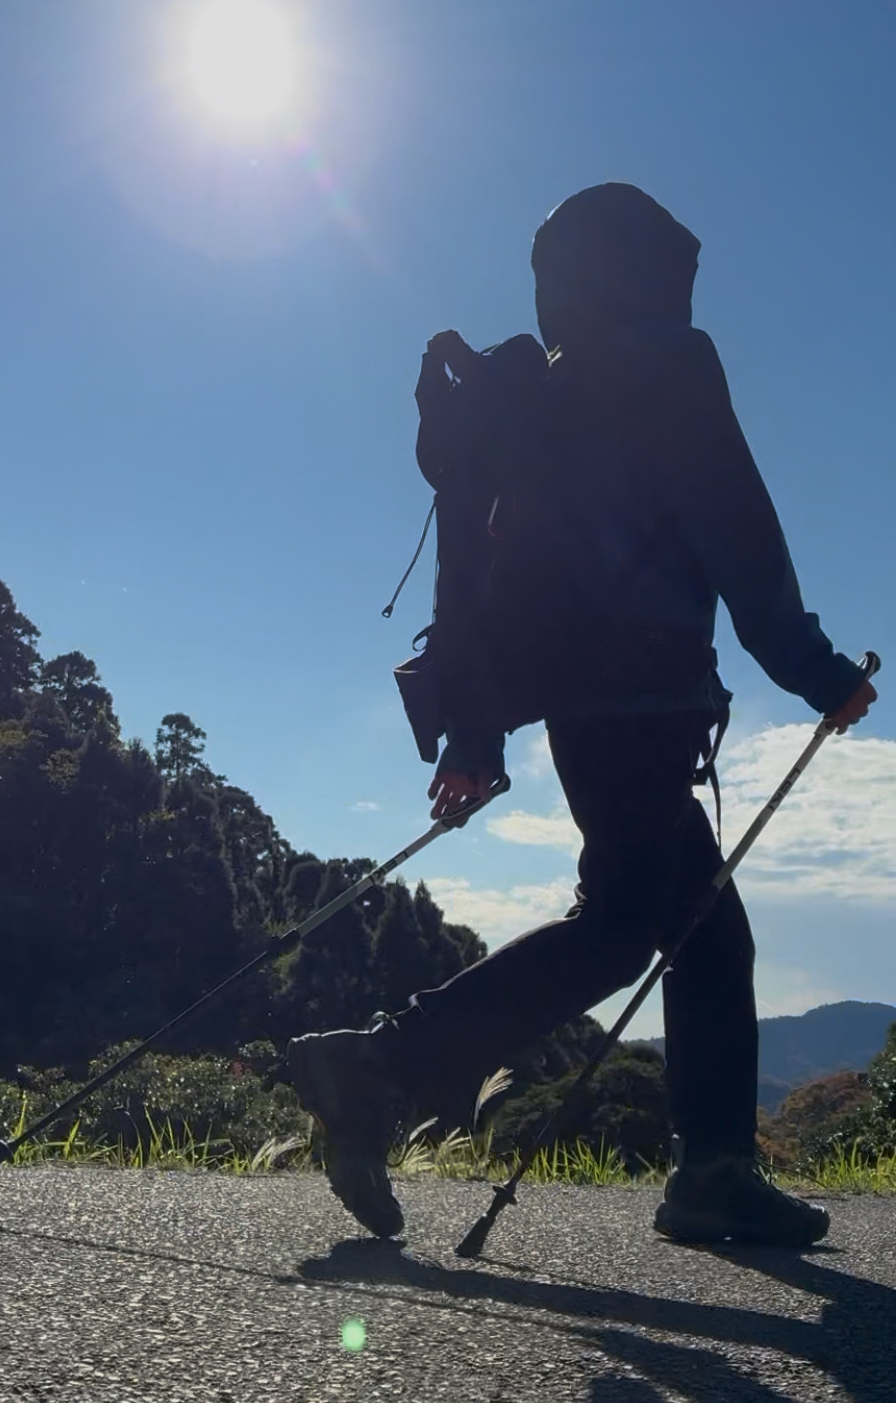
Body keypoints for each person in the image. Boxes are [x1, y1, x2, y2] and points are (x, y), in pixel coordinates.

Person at [288, 182, 876, 1248]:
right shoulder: (669, 367)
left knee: (700, 932)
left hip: (581, 709)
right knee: (625, 926)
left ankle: (711, 1167)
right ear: (648, 270)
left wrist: (476, 733)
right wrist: (815, 667)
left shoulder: (539, 402)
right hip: (645, 696)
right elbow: (741, 527)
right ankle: (376, 1065)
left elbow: (489, 587)